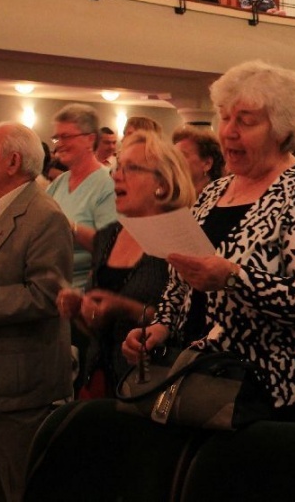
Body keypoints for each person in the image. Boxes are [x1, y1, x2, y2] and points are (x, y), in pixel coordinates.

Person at [122, 60, 295, 424]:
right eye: (225, 117)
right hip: (203, 379)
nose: (228, 131)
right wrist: (161, 326)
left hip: (274, 391)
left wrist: (234, 278)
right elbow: (182, 281)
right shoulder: (216, 191)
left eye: (246, 121)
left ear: (281, 130)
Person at [0, 122, 73, 502]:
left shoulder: (44, 216)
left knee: (21, 489)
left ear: (13, 162)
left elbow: (46, 297)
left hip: (17, 387)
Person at [57, 131, 197, 398]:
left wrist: (124, 308)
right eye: (118, 168)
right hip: (99, 380)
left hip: (154, 387)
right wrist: (80, 309)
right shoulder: (109, 235)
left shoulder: (179, 238)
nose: (116, 176)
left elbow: (188, 324)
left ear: (162, 183)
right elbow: (98, 325)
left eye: (131, 168)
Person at [47, 103, 118, 289]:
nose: (59, 144)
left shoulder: (107, 185)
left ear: (90, 139)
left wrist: (70, 227)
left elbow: (110, 247)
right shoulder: (59, 182)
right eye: (57, 138)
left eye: (66, 136)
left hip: (79, 289)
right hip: (46, 283)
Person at [171, 125, 225, 196]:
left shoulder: (220, 197)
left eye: (182, 155)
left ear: (207, 164)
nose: (174, 160)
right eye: (174, 155)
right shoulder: (173, 196)